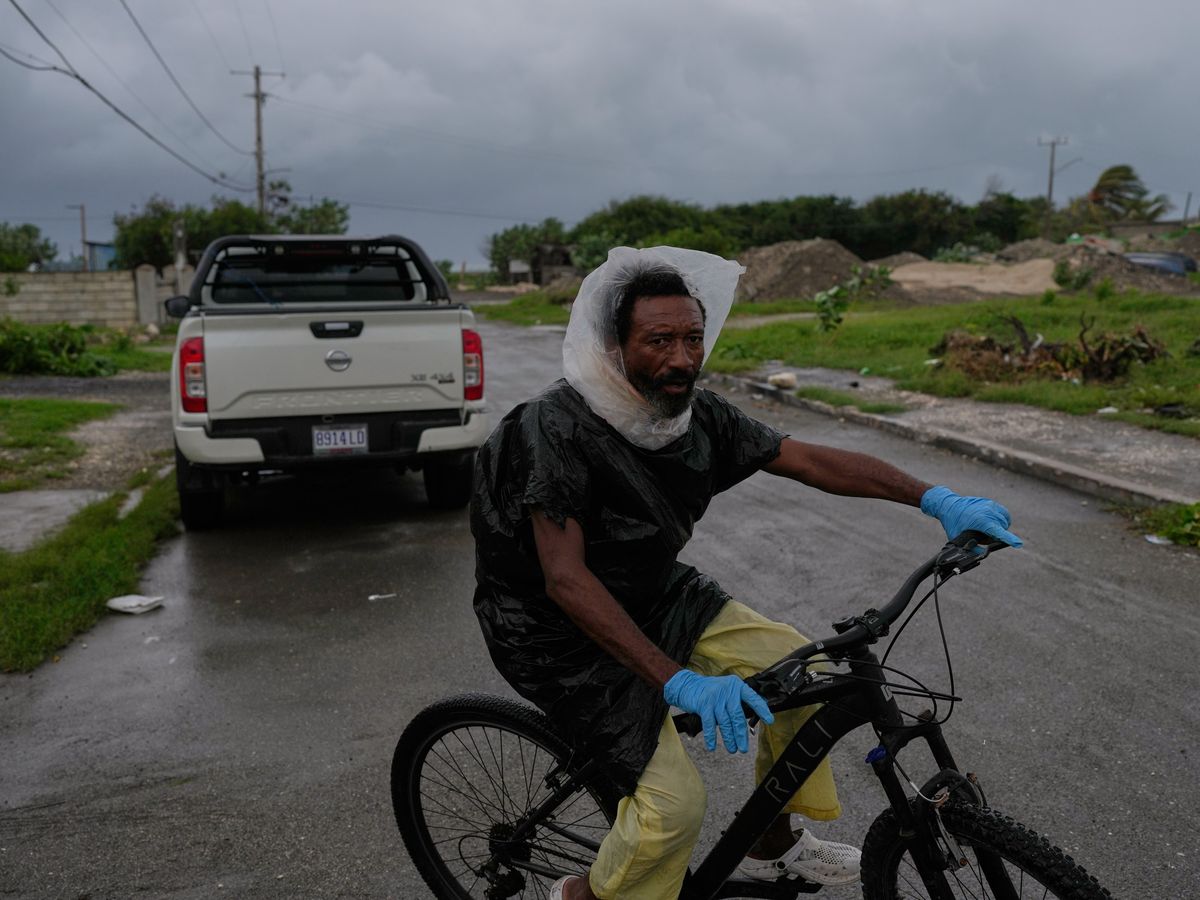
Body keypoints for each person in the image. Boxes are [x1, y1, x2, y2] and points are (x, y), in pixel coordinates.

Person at [470, 247, 1022, 900]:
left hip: (653, 594)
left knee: (805, 670)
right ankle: (577, 895)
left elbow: (811, 460)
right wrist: (679, 682)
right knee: (672, 811)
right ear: (614, 346)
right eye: (658, 340)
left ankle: (775, 842)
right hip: (553, 633)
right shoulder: (553, 429)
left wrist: (937, 500)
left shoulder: (695, 417)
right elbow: (565, 579)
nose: (680, 358)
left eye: (692, 338)